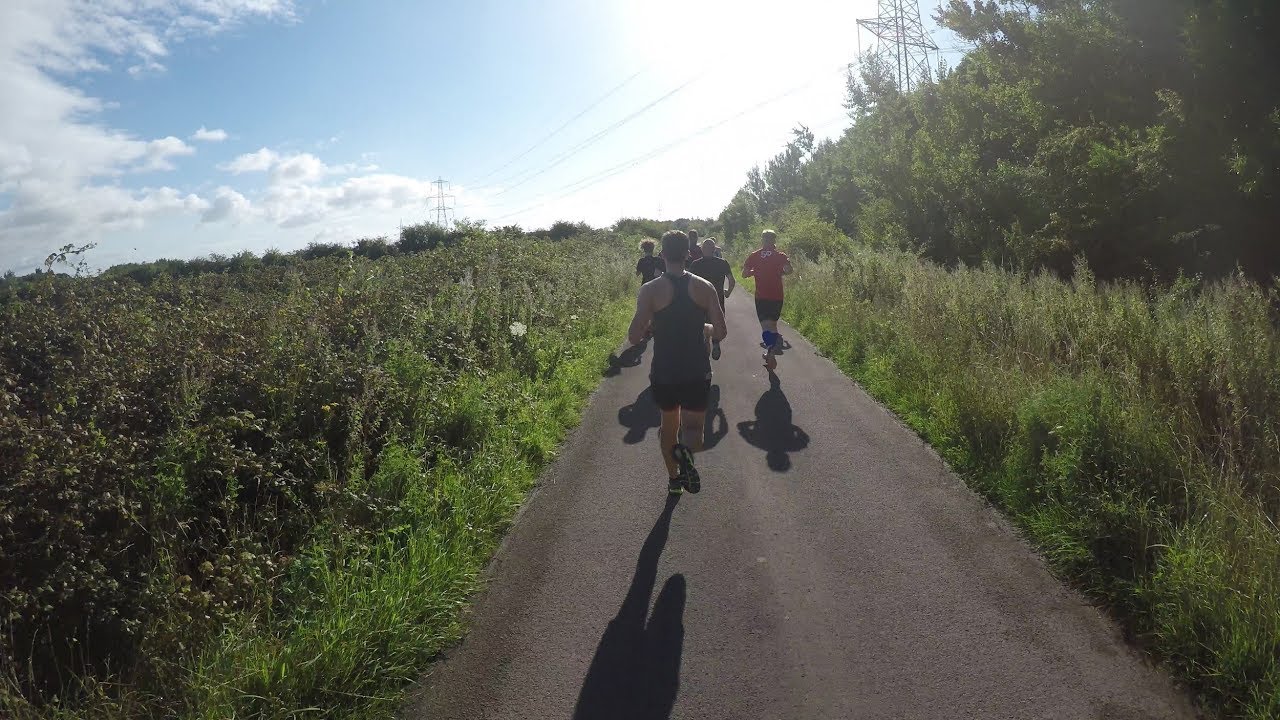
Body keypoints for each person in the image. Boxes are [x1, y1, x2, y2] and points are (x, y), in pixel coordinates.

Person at [628, 230, 727, 495]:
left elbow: (633, 336)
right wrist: (703, 329)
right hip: (697, 370)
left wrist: (651, 326)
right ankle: (687, 453)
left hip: (664, 372)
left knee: (667, 427)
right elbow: (720, 332)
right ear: (687, 254)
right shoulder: (704, 287)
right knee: (693, 430)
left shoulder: (650, 290)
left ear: (662, 255)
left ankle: (674, 481)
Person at [741, 229, 792, 372]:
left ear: (762, 240)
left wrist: (755, 271)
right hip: (777, 296)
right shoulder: (780, 256)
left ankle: (770, 350)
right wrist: (779, 271)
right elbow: (789, 270)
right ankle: (770, 350)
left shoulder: (754, 256)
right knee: (773, 325)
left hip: (761, 296)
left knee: (765, 326)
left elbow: (744, 274)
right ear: (774, 240)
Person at [690, 237, 735, 361]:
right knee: (716, 325)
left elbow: (689, 283)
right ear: (714, 249)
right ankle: (715, 343)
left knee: (704, 328)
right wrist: (728, 292)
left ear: (702, 249)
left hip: (700, 302)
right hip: (717, 300)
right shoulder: (723, 263)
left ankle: (705, 355)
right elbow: (731, 280)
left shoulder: (696, 264)